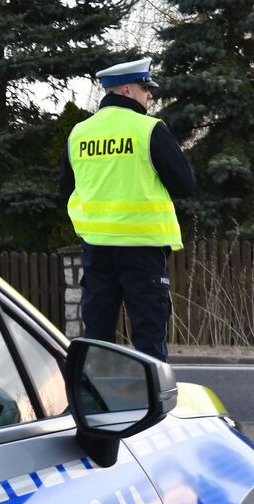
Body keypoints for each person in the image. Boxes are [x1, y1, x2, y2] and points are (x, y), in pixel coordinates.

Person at [59, 57, 195, 361]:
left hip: (96, 249)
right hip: (142, 248)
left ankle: (94, 389)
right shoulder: (148, 129)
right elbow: (185, 184)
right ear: (126, 90)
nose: (149, 94)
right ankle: (150, 392)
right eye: (145, 88)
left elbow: (65, 190)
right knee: (148, 338)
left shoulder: (79, 133)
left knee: (97, 337)